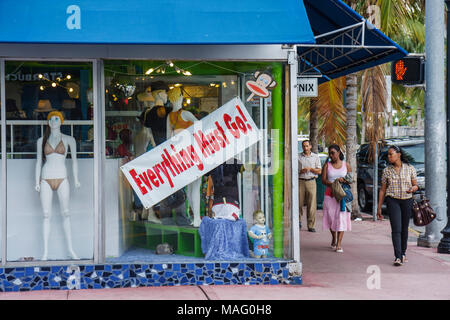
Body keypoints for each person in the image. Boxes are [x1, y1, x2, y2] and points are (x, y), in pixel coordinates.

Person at [35, 111, 80, 260]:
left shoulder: (69, 139)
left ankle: (71, 250)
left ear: (61, 121)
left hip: (62, 178)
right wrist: (37, 182)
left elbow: (74, 161)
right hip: (46, 178)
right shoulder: (41, 140)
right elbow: (38, 162)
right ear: (48, 122)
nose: (53, 121)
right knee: (46, 215)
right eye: (51, 119)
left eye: (56, 118)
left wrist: (76, 179)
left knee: (66, 213)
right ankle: (45, 253)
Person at [377, 145, 418, 266]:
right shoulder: (387, 171)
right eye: (388, 155)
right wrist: (379, 207)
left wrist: (413, 188)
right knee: (396, 229)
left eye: (391, 154)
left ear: (399, 154)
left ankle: (403, 253)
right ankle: (398, 256)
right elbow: (383, 190)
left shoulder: (410, 168)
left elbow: (415, 185)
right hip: (392, 200)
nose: (389, 157)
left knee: (404, 228)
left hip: (407, 200)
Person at [321, 144, 352, 253]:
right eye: (330, 153)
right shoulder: (327, 166)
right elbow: (323, 180)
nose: (331, 155)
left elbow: (351, 179)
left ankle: (339, 243)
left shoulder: (346, 165)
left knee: (341, 218)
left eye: (333, 153)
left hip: (342, 196)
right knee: (330, 218)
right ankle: (333, 236)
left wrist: (343, 180)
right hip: (330, 195)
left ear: (339, 153)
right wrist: (333, 184)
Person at [298, 140, 322, 232]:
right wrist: (301, 171)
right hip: (300, 181)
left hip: (311, 181)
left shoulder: (315, 157)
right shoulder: (298, 157)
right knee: (298, 203)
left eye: (307, 146)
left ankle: (311, 225)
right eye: (304, 146)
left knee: (311, 204)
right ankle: (298, 221)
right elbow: (294, 170)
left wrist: (311, 169)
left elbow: (319, 171)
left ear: (310, 146)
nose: (305, 148)